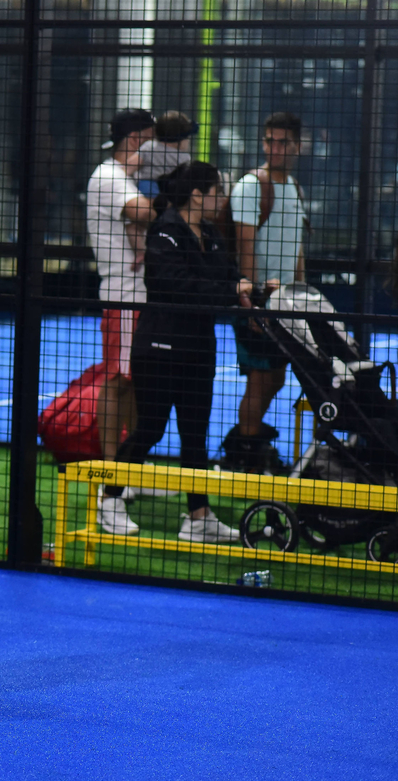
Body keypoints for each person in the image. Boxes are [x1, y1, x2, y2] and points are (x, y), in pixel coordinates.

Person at [98, 161, 250, 544]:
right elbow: (177, 285)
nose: (222, 198)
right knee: (150, 427)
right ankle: (110, 498)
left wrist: (250, 287)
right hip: (159, 349)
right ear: (196, 195)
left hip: (199, 349)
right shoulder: (164, 231)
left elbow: (227, 275)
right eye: (217, 191)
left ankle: (198, 518)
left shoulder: (211, 234)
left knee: (195, 436)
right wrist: (231, 291)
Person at [221, 111, 306, 473]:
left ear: (298, 146)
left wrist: (301, 294)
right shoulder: (251, 185)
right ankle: (244, 457)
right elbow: (246, 247)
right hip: (258, 302)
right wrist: (253, 304)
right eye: (269, 141)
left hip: (286, 302)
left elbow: (297, 249)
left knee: (275, 377)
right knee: (259, 380)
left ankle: (248, 443)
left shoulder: (295, 188)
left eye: (283, 142)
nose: (274, 148)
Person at [85, 109, 155, 487]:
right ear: (134, 140)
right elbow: (143, 213)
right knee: (117, 380)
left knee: (135, 381)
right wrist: (184, 196)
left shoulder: (124, 178)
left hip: (137, 296)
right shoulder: (109, 177)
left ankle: (130, 469)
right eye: (151, 142)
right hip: (125, 296)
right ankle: (112, 475)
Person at [130, 110, 196, 199]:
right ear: (180, 140)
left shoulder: (149, 146)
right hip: (170, 192)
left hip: (146, 187)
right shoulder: (184, 158)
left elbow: (129, 167)